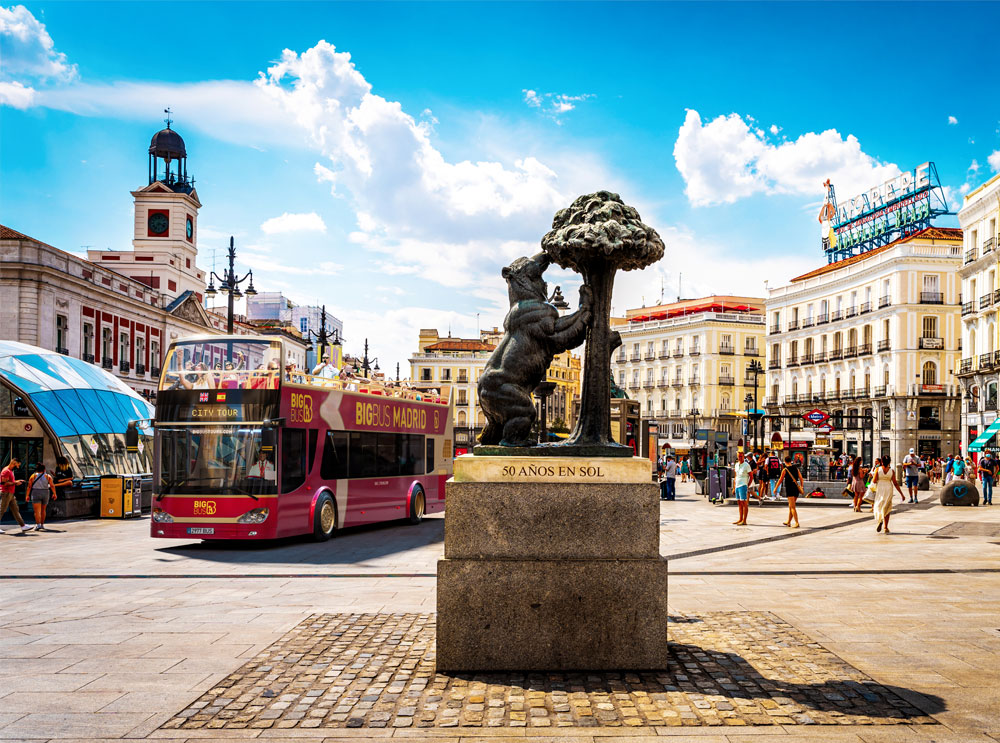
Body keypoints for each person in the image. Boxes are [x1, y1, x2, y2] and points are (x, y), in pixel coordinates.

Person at [872, 455, 905, 533]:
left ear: (882, 462)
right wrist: (902, 494)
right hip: (889, 489)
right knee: (887, 507)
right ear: (889, 462)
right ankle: (886, 527)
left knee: (879, 505)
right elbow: (895, 483)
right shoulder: (892, 471)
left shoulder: (878, 469)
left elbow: (874, 481)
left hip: (880, 488)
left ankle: (880, 519)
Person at [0, 457, 31, 534]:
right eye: (18, 464)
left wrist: (16, 481)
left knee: (15, 510)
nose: (18, 466)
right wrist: (15, 483)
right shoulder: (6, 471)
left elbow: (9, 481)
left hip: (10, 493)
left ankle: (23, 526)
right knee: (2, 510)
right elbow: (4, 483)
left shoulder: (9, 470)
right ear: (14, 462)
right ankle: (23, 525)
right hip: (6, 493)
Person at [25, 463, 56, 531]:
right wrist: (54, 494)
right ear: (44, 470)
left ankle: (38, 525)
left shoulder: (33, 476)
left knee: (37, 511)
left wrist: (27, 495)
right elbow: (52, 485)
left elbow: (29, 486)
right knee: (43, 510)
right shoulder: (48, 476)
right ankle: (42, 524)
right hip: (45, 492)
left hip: (35, 492)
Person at [777, 454, 803, 527]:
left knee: (792, 507)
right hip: (796, 488)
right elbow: (801, 478)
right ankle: (788, 521)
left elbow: (780, 480)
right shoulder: (796, 468)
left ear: (785, 461)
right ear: (791, 461)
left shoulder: (785, 470)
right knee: (791, 506)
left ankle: (797, 523)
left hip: (790, 489)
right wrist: (802, 486)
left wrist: (776, 489)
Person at [732, 451, 754, 526]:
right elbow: (736, 476)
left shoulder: (746, 465)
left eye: (741, 456)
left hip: (743, 485)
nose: (740, 458)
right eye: (739, 456)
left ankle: (744, 520)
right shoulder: (736, 465)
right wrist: (734, 487)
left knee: (744, 503)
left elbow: (751, 476)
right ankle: (740, 518)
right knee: (739, 503)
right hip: (737, 485)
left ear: (743, 457)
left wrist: (748, 484)